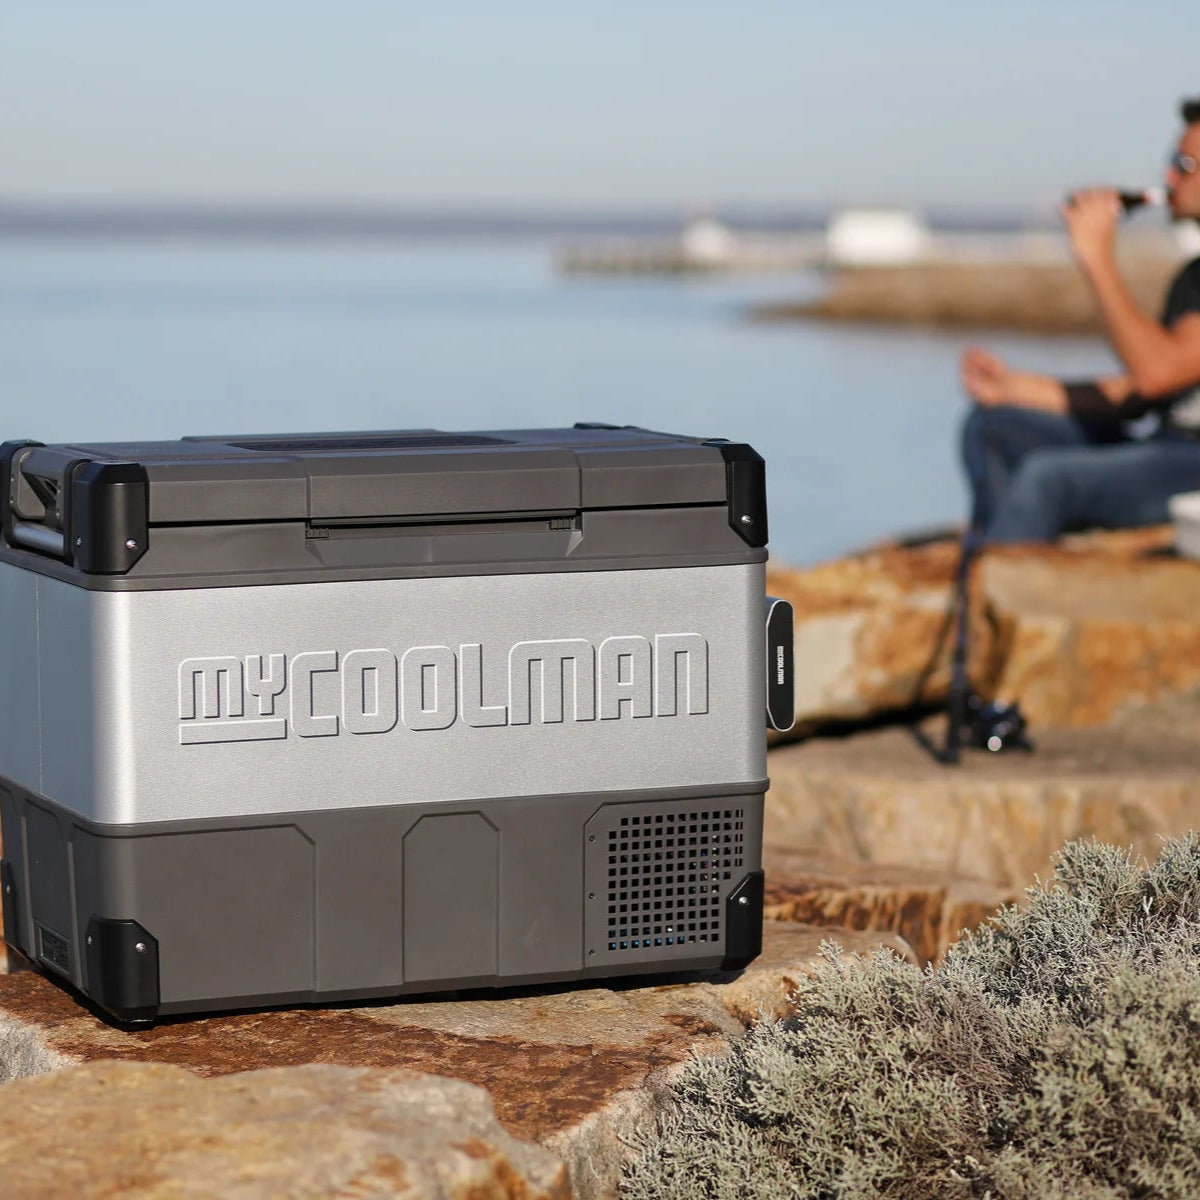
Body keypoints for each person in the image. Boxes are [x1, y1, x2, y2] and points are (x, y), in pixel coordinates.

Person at [960, 96, 1200, 542]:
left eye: (1183, 164)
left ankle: (997, 589)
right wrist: (1011, 388)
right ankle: (995, 565)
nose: (1168, 176)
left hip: (1192, 466)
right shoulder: (1193, 278)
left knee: (1049, 480)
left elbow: (1156, 373)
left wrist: (1095, 257)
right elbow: (1140, 393)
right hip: (1167, 449)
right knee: (993, 425)